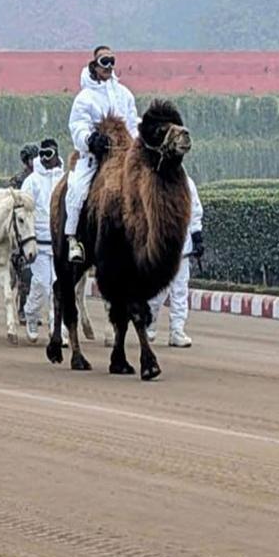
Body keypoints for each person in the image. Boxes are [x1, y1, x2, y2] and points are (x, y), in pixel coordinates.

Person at [65, 46, 139, 263]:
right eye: (104, 62)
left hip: (123, 155)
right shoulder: (84, 98)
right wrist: (91, 140)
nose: (108, 66)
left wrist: (137, 142)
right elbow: (77, 126)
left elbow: (133, 124)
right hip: (95, 157)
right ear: (94, 66)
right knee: (77, 190)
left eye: (111, 61)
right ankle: (73, 239)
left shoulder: (125, 94)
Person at [149, 172, 202, 347]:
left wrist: (197, 237)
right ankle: (149, 325)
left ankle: (177, 331)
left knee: (180, 291)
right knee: (157, 291)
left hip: (182, 247)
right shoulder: (155, 182)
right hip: (161, 247)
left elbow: (195, 211)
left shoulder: (188, 183)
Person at [20, 138, 66, 343]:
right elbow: (23, 213)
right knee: (41, 284)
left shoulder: (65, 178)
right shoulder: (31, 181)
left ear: (56, 154)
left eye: (50, 154)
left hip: (60, 243)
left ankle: (58, 328)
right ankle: (31, 314)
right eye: (43, 154)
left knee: (59, 286)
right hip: (38, 242)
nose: (46, 158)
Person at [8, 143, 40, 323]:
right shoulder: (17, 181)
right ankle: (22, 309)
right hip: (21, 234)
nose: (35, 161)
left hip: (37, 231)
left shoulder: (43, 178)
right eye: (32, 158)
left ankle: (32, 310)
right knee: (25, 274)